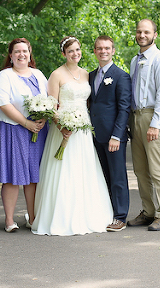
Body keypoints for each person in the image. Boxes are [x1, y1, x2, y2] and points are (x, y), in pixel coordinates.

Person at [32, 37, 114, 236]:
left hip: (83, 130)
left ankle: (87, 215)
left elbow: (88, 103)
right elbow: (52, 106)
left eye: (77, 50)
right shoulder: (56, 75)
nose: (75, 54)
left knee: (83, 169)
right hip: (63, 129)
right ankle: (59, 216)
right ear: (64, 54)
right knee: (63, 170)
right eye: (70, 51)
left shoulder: (86, 74)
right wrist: (62, 127)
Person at [0, 38, 48, 232]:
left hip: (37, 131)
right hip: (12, 129)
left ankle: (32, 218)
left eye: (25, 51)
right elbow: (2, 102)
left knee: (33, 176)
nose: (21, 54)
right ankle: (9, 220)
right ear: (11, 55)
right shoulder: (5, 75)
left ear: (30, 53)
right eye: (17, 51)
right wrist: (26, 123)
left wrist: (44, 119)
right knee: (13, 176)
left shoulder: (39, 75)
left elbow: (48, 100)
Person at [127, 19, 160, 231]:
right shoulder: (134, 61)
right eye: (139, 32)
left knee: (156, 167)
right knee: (140, 169)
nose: (142, 35)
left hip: (153, 117)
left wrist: (156, 124)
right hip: (136, 117)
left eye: (146, 32)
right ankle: (148, 211)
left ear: (155, 35)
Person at [88, 35, 132, 232]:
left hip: (114, 137)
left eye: (107, 48)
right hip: (94, 136)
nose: (103, 51)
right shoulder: (90, 76)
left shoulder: (121, 76)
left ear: (113, 51)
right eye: (99, 48)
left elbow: (124, 108)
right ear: (95, 51)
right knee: (102, 176)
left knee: (118, 177)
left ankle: (120, 216)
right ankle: (106, 212)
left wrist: (117, 135)